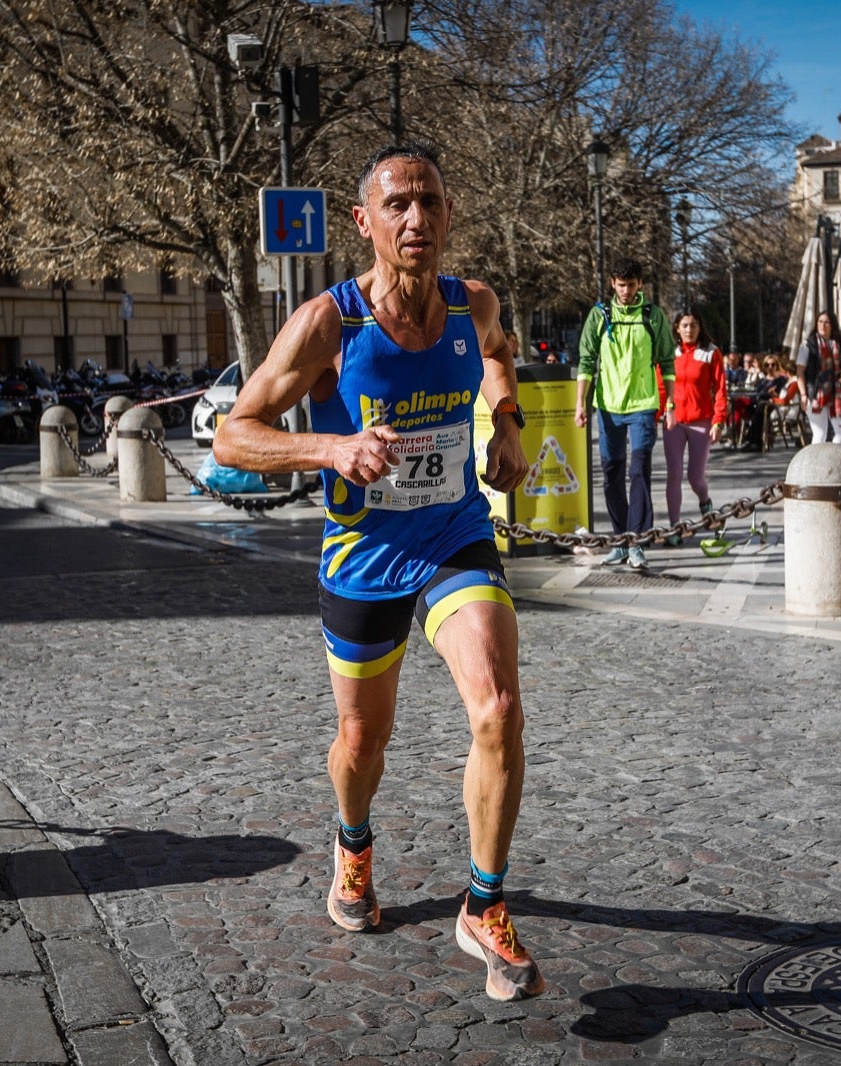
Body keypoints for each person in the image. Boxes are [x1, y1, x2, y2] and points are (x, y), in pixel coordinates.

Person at [212, 144, 544, 1002]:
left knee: (499, 708)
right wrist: (332, 448)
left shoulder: (473, 304)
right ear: (364, 221)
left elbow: (498, 354)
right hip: (363, 558)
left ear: (449, 213)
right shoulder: (331, 323)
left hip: (454, 537)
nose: (416, 218)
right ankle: (353, 844)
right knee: (363, 741)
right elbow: (233, 435)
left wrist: (508, 423)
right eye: (397, 204)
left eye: (429, 201)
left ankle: (484, 904)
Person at [576, 259, 676, 571]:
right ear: (613, 284)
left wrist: (670, 404)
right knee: (612, 474)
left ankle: (637, 542)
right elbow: (586, 361)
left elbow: (667, 362)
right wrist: (580, 404)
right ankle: (621, 540)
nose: (626, 290)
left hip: (643, 405)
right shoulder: (600, 315)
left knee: (639, 470)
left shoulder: (652, 316)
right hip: (608, 406)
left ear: (640, 284)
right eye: (621, 284)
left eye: (631, 284)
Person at [660, 313, 728, 542]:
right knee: (674, 474)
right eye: (685, 326)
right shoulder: (670, 353)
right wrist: (659, 413)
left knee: (695, 478)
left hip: (702, 423)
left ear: (700, 328)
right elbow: (661, 386)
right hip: (674, 422)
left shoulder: (711, 353)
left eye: (694, 325)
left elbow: (720, 390)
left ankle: (705, 501)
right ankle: (674, 528)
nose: (689, 330)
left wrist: (718, 421)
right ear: (677, 329)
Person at [796, 311, 841, 445]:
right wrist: (803, 395)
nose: (823, 325)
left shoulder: (839, 346)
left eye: (827, 322)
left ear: (833, 325)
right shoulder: (808, 345)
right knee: (820, 434)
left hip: (836, 395)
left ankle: (832, 457)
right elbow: (800, 372)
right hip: (814, 394)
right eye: (820, 321)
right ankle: (817, 459)